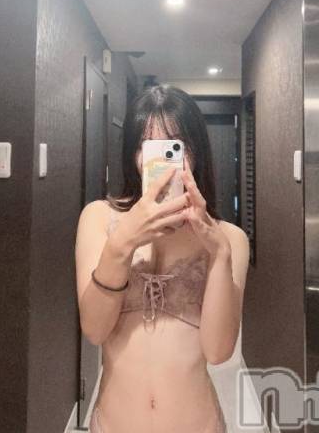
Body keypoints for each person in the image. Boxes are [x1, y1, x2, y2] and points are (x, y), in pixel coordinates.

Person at [75, 84, 251, 433]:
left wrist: (219, 255)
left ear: (195, 152)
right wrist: (124, 241)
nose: (159, 161)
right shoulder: (99, 218)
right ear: (133, 154)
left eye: (173, 146)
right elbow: (94, 329)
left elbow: (218, 351)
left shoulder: (229, 238)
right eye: (146, 145)